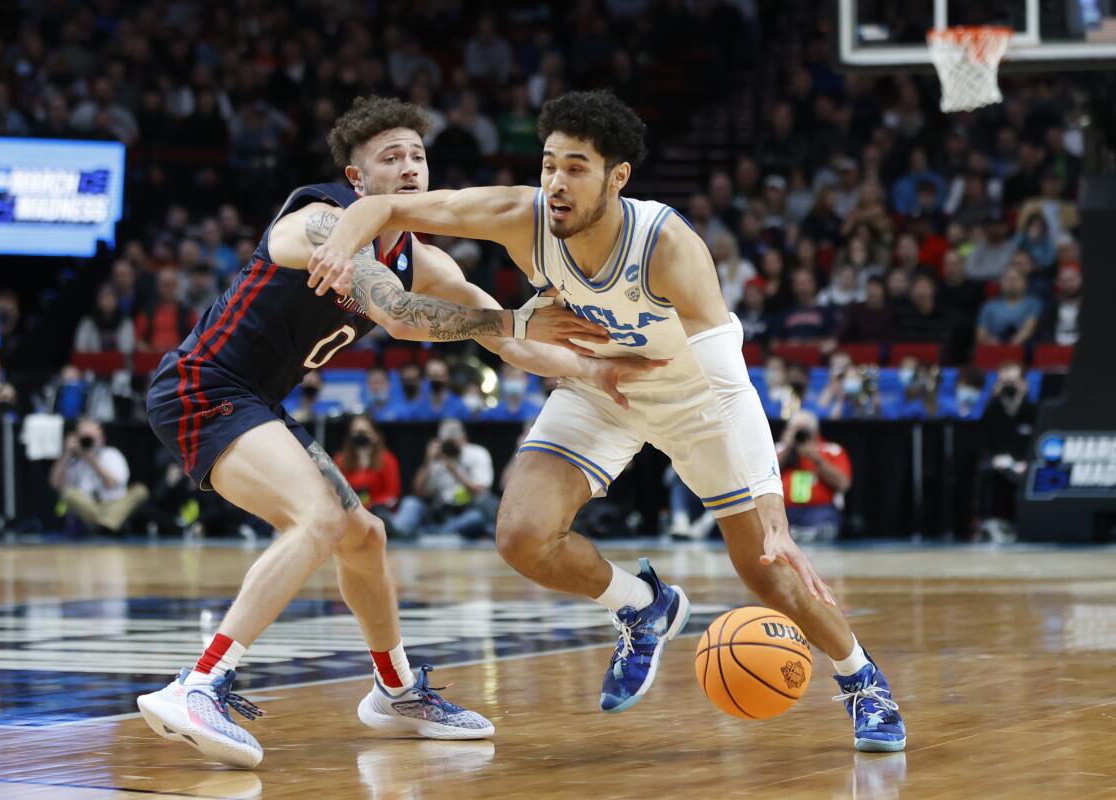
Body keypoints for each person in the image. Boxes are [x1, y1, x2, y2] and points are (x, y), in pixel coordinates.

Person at [311, 90, 905, 751]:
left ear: (617, 177)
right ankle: (642, 605)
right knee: (521, 536)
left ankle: (861, 679)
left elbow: (733, 388)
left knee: (767, 567)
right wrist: (340, 249)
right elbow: (381, 206)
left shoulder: (667, 245)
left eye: (576, 167)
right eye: (548, 165)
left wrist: (774, 511)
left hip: (696, 398)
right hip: (601, 387)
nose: (556, 184)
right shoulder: (521, 216)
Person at [137, 96, 655, 768]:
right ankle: (199, 683)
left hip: (255, 399)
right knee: (320, 521)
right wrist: (515, 324)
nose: (411, 167)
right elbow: (404, 316)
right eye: (391, 157)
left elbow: (513, 342)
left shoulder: (424, 259)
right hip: (202, 388)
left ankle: (396, 692)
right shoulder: (319, 222)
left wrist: (595, 369)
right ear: (358, 183)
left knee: (364, 537)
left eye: (417, 154)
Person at [392, 419, 496, 539]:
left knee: (477, 517)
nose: (450, 447)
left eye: (454, 442)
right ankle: (399, 533)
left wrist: (455, 470)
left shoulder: (477, 453)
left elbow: (481, 492)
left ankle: (436, 534)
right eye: (447, 443)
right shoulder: (437, 457)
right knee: (411, 503)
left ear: (464, 439)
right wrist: (427, 462)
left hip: (467, 510)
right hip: (439, 512)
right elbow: (418, 492)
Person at [49, 417, 148, 534]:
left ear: (101, 438)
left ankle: (104, 525)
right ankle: (107, 525)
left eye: (91, 437)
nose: (87, 441)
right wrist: (66, 453)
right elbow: (56, 484)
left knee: (140, 490)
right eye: (83, 437)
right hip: (90, 509)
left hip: (115, 506)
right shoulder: (75, 461)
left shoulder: (112, 454)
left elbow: (111, 484)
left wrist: (91, 460)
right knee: (67, 492)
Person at [977, 363, 1037, 542]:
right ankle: (987, 523)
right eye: (1005, 382)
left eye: (1014, 382)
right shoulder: (992, 409)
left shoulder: (1031, 409)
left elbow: (1036, 439)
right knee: (986, 472)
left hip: (1023, 461)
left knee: (1032, 475)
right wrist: (993, 458)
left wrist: (1026, 461)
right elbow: (983, 439)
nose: (1010, 387)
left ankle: (1024, 525)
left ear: (1024, 383)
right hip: (997, 460)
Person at [775, 411, 852, 540]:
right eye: (795, 430)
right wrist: (787, 447)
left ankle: (801, 534)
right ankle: (793, 534)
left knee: (825, 522)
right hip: (784, 509)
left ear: (815, 433)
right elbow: (764, 476)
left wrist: (816, 458)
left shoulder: (832, 450)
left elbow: (843, 483)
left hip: (819, 510)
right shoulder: (777, 449)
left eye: (804, 430)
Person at [334, 414, 401, 522]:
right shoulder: (340, 460)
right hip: (350, 514)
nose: (359, 436)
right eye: (355, 432)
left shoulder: (387, 459)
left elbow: (392, 494)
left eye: (364, 433)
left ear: (375, 436)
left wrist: (370, 505)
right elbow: (336, 490)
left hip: (379, 513)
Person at [977, 266, 1042, 346]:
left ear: (1025, 283)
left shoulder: (1033, 303)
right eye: (1007, 280)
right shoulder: (988, 306)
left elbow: (1029, 328)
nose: (1011, 283)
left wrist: (1010, 346)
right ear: (1001, 283)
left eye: (1015, 279)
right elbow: (981, 334)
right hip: (993, 348)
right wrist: (990, 342)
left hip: (1022, 349)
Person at [74, 283, 136, 354]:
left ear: (117, 300)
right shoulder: (87, 322)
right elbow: (80, 347)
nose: (108, 301)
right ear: (98, 300)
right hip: (93, 362)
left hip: (118, 362)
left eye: (111, 297)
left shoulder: (126, 322)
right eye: (104, 297)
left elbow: (128, 348)